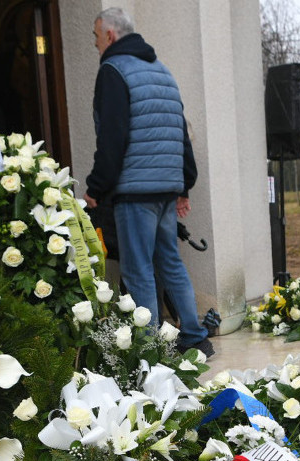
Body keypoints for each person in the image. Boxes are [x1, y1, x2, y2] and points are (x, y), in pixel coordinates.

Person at [83, 7, 213, 358]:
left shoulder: (113, 71)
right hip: (165, 190)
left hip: (135, 191)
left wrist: (96, 186)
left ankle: (151, 350)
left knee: (138, 268)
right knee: (169, 261)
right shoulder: (163, 72)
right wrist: (184, 185)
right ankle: (195, 334)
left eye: (96, 37)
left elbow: (112, 136)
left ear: (109, 35)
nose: (95, 45)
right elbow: (180, 133)